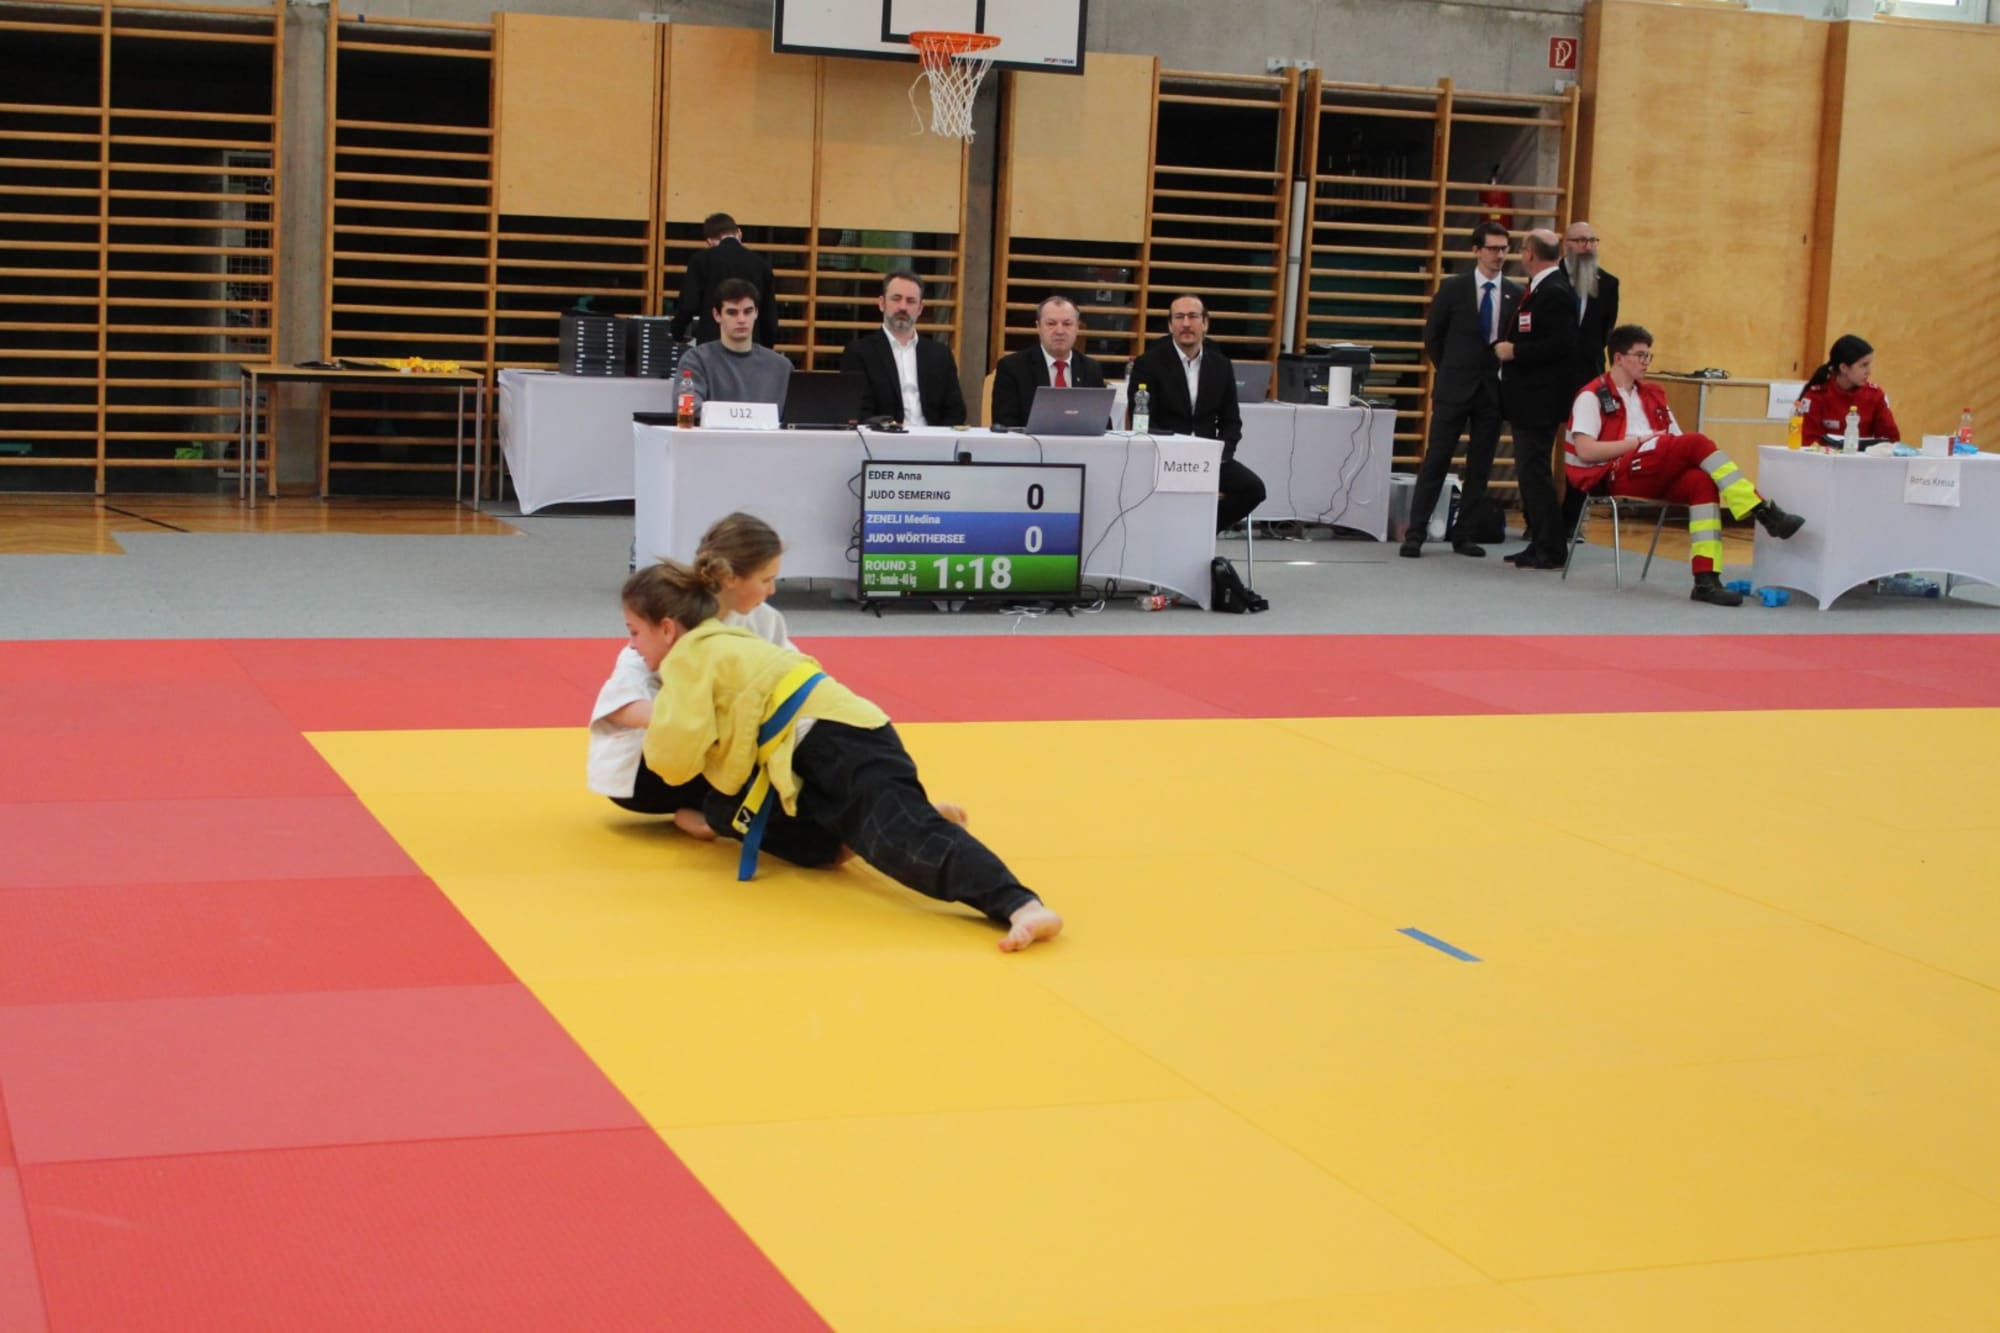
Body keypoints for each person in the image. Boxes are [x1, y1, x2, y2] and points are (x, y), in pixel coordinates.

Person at [627, 560, 1063, 952]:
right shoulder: (718, 642)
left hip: (838, 738)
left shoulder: (687, 658)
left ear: (667, 628)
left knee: (905, 838)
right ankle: (869, 831)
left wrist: (657, 728)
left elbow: (672, 759)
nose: (632, 647)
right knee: (730, 811)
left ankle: (1021, 904)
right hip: (805, 750)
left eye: (634, 632)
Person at [1567, 324, 1807, 606]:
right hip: (1612, 472)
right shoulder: (1592, 395)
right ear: (1618, 358)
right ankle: (1762, 510)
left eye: (1648, 356)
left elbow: (1675, 440)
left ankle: (1706, 579)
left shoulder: (1653, 395)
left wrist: (1658, 445)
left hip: (1654, 465)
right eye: (1640, 355)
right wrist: (1636, 442)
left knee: (1701, 482)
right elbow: (1585, 450)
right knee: (1696, 442)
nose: (1646, 362)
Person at [588, 512, 793, 836]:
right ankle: (716, 812)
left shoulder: (765, 620)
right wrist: (708, 723)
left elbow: (791, 676)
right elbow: (621, 701)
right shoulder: (676, 614)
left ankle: (714, 809)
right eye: (766, 580)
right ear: (730, 578)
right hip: (653, 770)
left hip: (724, 755)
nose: (771, 590)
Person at [1403, 222, 1519, 558]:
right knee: (1437, 459)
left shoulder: (1514, 293)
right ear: (1477, 251)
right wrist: (1451, 369)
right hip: (1454, 386)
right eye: (1492, 248)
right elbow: (1433, 336)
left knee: (1480, 465)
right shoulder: (1454, 288)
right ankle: (1415, 533)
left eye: (1504, 249)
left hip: (1491, 390)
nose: (1499, 255)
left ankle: (1464, 534)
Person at [1130, 293, 1267, 533]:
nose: (1186, 324)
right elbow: (1142, 419)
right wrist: (1174, 451)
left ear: (1205, 323)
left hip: (1209, 458)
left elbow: (1231, 421)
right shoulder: (1148, 363)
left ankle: (1199, 532)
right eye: (1179, 317)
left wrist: (1221, 455)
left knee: (1253, 489)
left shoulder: (1221, 365)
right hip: (1166, 457)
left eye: (1193, 316)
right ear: (1170, 325)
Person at [1496, 228, 1578, 569]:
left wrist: (1516, 351)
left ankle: (1552, 547)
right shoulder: (1542, 287)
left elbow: (1561, 346)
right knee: (1530, 474)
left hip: (1539, 399)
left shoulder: (1555, 291)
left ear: (1529, 253)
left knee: (1536, 473)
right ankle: (1540, 542)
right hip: (1528, 398)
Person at [839, 269, 968, 427]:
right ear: (882, 303)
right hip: (883, 438)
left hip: (933, 439)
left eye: (910, 301)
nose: (903, 307)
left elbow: (956, 412)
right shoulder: (859, 353)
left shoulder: (941, 355)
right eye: (896, 299)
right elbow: (860, 411)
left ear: (920, 308)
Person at [989, 294, 1107, 428]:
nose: (1060, 331)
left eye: (1067, 324)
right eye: (1051, 324)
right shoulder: (1012, 367)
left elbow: (1103, 424)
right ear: (1038, 327)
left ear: (1077, 327)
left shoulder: (1091, 368)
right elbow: (1004, 424)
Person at [677, 279, 792, 407]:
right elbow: (687, 410)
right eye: (732, 313)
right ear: (717, 315)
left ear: (756, 313)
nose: (741, 320)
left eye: (748, 311)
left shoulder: (783, 367)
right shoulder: (695, 361)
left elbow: (797, 415)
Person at [672, 212, 780, 347]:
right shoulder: (761, 264)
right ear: (739, 233)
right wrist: (767, 346)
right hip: (749, 343)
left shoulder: (700, 260)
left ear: (710, 241)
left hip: (711, 342)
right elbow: (769, 315)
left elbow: (688, 304)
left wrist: (677, 332)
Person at [1800, 334, 1901, 444]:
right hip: (1825, 455)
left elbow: (1890, 440)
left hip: (1863, 455)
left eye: (1869, 365)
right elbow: (1807, 442)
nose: (1869, 371)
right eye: (1864, 365)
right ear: (1844, 368)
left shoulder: (1875, 396)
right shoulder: (1816, 397)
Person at [1564, 220, 1620, 395]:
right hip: (1553, 370)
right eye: (1581, 240)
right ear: (1566, 244)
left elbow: (1606, 329)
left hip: (1590, 370)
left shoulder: (1609, 283)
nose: (1588, 247)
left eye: (1593, 241)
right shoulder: (1550, 278)